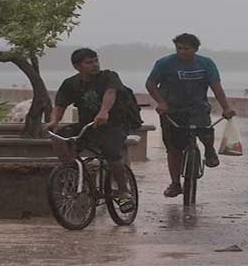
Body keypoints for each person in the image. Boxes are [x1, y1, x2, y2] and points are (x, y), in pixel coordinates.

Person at [44, 48, 137, 210]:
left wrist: (103, 112)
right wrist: (54, 121)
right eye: (89, 62)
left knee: (111, 153)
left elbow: (110, 93)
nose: (95, 65)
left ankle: (123, 191)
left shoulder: (109, 76)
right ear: (77, 66)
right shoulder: (70, 83)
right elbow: (60, 105)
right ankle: (72, 171)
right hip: (87, 125)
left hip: (115, 124)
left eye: (96, 60)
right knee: (59, 136)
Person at [146, 33, 236, 198]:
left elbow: (217, 88)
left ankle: (209, 151)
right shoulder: (164, 64)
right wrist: (161, 102)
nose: (182, 51)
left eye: (186, 49)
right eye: (179, 48)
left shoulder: (206, 64)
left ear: (195, 49)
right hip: (172, 110)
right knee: (173, 149)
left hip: (197, 108)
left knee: (206, 131)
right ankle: (175, 183)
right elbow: (150, 84)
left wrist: (226, 107)